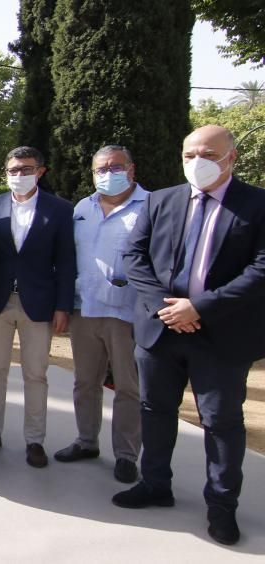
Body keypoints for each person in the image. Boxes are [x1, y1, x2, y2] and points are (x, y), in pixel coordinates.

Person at [114, 125, 265, 546]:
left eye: (208, 154)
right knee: (155, 410)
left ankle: (221, 506)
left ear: (231, 158)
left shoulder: (257, 204)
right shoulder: (162, 201)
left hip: (222, 335)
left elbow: (261, 269)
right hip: (161, 330)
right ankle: (155, 484)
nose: (197, 162)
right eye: (189, 154)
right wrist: (168, 305)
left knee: (221, 423)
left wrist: (200, 307)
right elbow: (134, 255)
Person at [0, 146, 76, 468]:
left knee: (35, 374)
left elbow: (67, 262)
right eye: (13, 170)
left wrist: (63, 306)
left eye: (26, 169)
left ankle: (34, 440)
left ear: (40, 171)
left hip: (39, 303)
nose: (18, 175)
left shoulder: (59, 210)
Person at [55, 145, 146, 483]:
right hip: (86, 308)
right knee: (85, 381)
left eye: (115, 167)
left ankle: (125, 454)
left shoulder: (149, 206)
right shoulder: (83, 208)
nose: (107, 174)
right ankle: (86, 440)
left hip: (127, 313)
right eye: (100, 169)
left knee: (127, 386)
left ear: (131, 169)